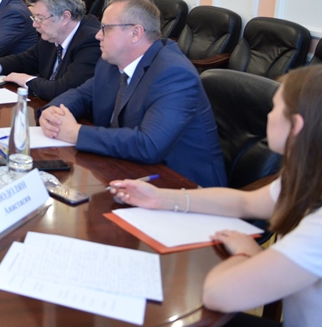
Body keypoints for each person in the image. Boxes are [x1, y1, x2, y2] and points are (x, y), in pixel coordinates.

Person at [110, 65, 322, 327]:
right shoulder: (307, 176)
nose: (268, 115)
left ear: (296, 126)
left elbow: (217, 294)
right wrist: (161, 198)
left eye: (275, 107)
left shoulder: (317, 229)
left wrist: (246, 253)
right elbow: (246, 202)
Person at [39, 0, 226, 187]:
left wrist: (76, 133)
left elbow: (149, 145)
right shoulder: (111, 61)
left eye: (106, 28)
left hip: (183, 185)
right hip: (128, 169)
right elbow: (83, 95)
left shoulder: (174, 74)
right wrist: (53, 112)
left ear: (135, 33)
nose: (98, 35)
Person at [0, 0, 101, 100]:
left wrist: (27, 80)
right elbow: (26, 60)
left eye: (40, 18)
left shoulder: (92, 41)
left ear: (65, 17)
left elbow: (64, 89)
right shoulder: (52, 34)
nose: (34, 24)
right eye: (34, 18)